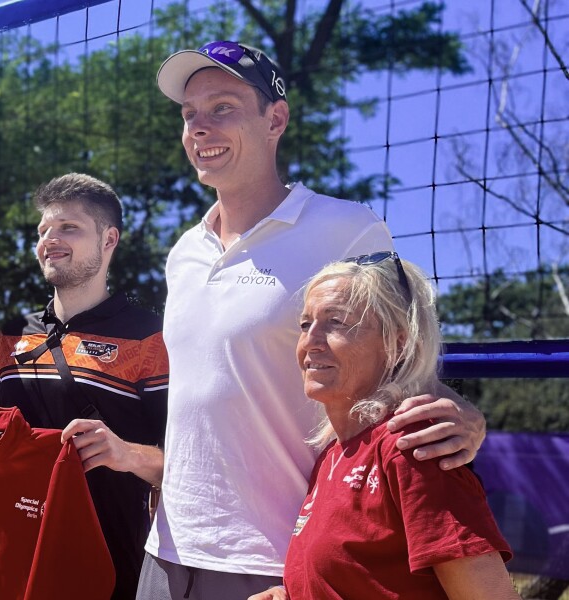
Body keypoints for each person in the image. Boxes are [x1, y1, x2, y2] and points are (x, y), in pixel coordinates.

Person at [138, 41, 489, 598]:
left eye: (222, 108)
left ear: (275, 118)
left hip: (279, 555)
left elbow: (401, 359)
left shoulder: (346, 229)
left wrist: (460, 413)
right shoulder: (184, 251)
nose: (199, 127)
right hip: (167, 549)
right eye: (189, 115)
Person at [0, 174, 169, 599]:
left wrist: (127, 454)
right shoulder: (10, 336)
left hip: (109, 568)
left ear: (109, 239)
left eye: (68, 228)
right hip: (13, 564)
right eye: (43, 231)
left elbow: (186, 466)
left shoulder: (152, 338)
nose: (50, 240)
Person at [248, 253, 517, 599]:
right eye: (305, 324)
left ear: (396, 343)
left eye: (337, 322)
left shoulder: (412, 446)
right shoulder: (332, 455)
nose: (311, 340)